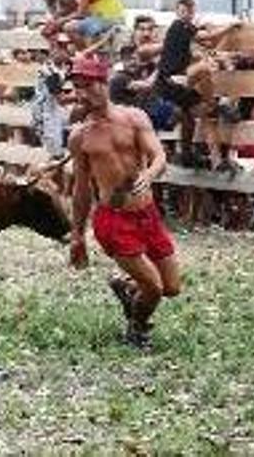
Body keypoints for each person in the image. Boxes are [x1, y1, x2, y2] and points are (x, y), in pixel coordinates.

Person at [67, 55, 181, 349]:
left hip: (147, 213)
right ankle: (136, 329)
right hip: (113, 220)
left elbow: (159, 156)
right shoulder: (80, 136)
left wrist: (150, 173)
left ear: (104, 83)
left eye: (87, 85)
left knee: (171, 288)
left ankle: (125, 286)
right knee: (153, 288)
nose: (81, 93)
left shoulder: (135, 118)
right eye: (76, 87)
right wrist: (77, 234)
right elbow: (81, 189)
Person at [153, 0, 240, 170]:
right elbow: (208, 37)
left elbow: (209, 44)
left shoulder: (184, 38)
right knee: (206, 69)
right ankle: (215, 105)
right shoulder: (181, 26)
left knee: (202, 115)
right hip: (170, 82)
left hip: (174, 84)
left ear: (193, 12)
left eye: (189, 10)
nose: (187, 14)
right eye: (183, 10)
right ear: (177, 12)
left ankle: (211, 160)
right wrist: (230, 27)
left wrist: (218, 51)